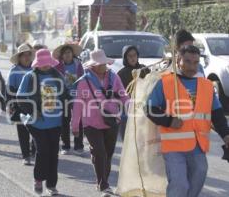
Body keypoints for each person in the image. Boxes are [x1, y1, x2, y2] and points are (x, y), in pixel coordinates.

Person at [146, 45, 229, 197]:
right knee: (179, 185)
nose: (192, 66)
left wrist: (226, 135)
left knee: (198, 179)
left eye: (195, 62)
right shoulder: (165, 83)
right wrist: (169, 121)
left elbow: (217, 115)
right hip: (173, 147)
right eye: (188, 61)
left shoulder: (207, 86)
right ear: (178, 61)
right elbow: (149, 109)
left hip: (198, 146)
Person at [71, 49, 129, 197]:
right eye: (100, 64)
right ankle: (103, 184)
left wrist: (132, 107)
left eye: (104, 63)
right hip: (91, 123)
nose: (103, 66)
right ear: (93, 66)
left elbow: (123, 95)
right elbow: (77, 105)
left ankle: (103, 179)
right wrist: (75, 125)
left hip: (111, 120)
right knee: (101, 153)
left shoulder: (114, 77)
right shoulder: (84, 81)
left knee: (108, 155)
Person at [17, 49, 69, 196]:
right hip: (36, 122)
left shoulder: (57, 75)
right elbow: (20, 97)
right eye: (43, 63)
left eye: (48, 63)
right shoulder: (30, 76)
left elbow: (65, 94)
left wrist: (67, 113)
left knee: (53, 153)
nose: (46, 66)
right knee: (43, 150)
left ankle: (51, 185)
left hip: (56, 121)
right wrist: (33, 110)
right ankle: (38, 179)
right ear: (37, 64)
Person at [7, 43, 36, 165]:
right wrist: (10, 105)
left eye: (28, 55)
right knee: (23, 131)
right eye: (23, 55)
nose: (26, 57)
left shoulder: (36, 68)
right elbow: (9, 90)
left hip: (34, 104)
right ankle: (25, 155)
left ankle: (34, 151)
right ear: (19, 57)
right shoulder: (14, 71)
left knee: (36, 130)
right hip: (19, 105)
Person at [53, 43, 85, 155]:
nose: (67, 55)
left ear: (72, 54)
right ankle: (65, 145)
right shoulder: (57, 66)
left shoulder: (78, 64)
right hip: (63, 96)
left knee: (78, 120)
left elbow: (83, 79)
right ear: (61, 55)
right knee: (65, 120)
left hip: (77, 96)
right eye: (65, 53)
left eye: (69, 52)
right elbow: (55, 81)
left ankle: (79, 145)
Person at [117, 45, 150, 140]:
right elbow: (119, 92)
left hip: (143, 105)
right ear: (125, 57)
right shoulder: (121, 73)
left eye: (134, 55)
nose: (133, 58)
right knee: (129, 136)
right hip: (128, 108)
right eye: (129, 56)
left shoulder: (144, 69)